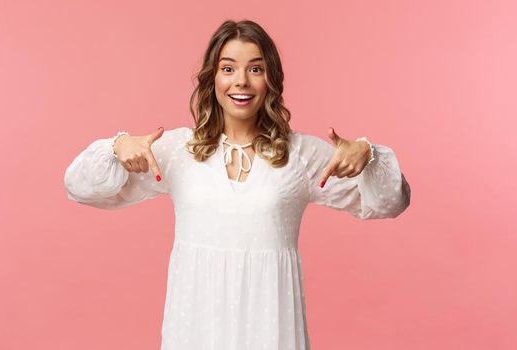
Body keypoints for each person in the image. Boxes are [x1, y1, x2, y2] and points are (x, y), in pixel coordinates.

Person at [64, 19, 411, 350]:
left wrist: (368, 155)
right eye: (228, 68)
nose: (241, 81)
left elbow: (389, 203)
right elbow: (79, 186)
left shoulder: (301, 155)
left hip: (271, 327)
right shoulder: (180, 152)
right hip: (195, 327)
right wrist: (117, 147)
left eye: (255, 69)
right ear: (211, 78)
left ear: (270, 79)